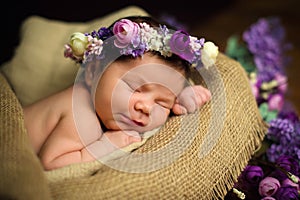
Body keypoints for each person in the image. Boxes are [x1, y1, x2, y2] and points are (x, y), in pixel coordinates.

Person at [23, 16, 218, 171]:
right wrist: (105, 145)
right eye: (135, 88)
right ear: (92, 72)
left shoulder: (105, 109)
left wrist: (180, 100)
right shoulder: (80, 112)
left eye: (163, 102)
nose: (146, 107)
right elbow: (50, 164)